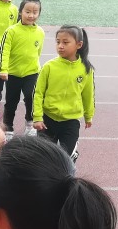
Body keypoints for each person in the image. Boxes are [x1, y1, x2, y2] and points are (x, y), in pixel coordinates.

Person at [33, 25, 96, 160]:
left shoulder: (86, 69)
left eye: (65, 42)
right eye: (58, 42)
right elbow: (38, 93)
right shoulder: (49, 67)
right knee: (44, 156)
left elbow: (88, 94)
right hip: (48, 119)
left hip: (70, 121)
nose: (60, 46)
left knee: (65, 157)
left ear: (79, 45)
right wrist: (37, 117)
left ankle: (71, 157)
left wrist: (88, 115)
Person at [0, 0, 44, 138]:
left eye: (35, 12)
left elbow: (38, 52)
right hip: (13, 73)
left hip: (32, 73)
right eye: (27, 11)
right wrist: (3, 69)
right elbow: (4, 51)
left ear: (39, 14)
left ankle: (30, 124)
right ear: (20, 12)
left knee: (31, 98)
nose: (31, 15)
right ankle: (8, 128)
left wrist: (36, 67)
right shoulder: (11, 31)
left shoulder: (40, 32)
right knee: (11, 102)